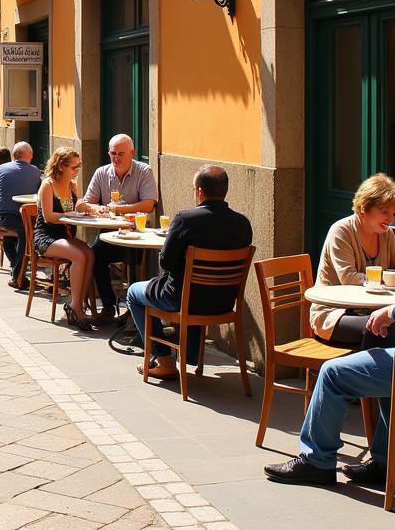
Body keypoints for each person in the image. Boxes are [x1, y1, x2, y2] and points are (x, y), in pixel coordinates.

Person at [265, 168, 395, 487]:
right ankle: (392, 462)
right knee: (387, 352)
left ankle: (317, 461)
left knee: (334, 373)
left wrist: (394, 309)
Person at [125, 164, 252, 380]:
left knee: (133, 293)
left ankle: (164, 360)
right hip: (222, 303)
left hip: (181, 299)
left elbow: (166, 262)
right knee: (196, 289)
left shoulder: (186, 219)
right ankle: (189, 356)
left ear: (200, 192)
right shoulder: (243, 224)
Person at [310, 174, 395, 345]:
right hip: (335, 314)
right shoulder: (341, 231)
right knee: (380, 329)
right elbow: (348, 278)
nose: (390, 219)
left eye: (394, 213)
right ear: (364, 208)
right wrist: (393, 283)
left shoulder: (387, 234)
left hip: (373, 309)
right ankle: (361, 371)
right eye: (384, 212)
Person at [77, 134, 158, 325]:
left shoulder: (144, 171)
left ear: (132, 153)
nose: (116, 158)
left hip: (135, 234)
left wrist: (120, 209)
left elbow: (149, 204)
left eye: (121, 154)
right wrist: (97, 208)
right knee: (94, 256)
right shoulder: (102, 173)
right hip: (108, 233)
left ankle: (133, 310)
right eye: (113, 153)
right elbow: (85, 202)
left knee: (134, 264)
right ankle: (108, 305)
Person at [34, 147, 96, 331]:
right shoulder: (48, 185)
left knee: (90, 254)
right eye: (74, 167)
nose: (77, 170)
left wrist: (86, 207)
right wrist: (71, 213)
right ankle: (75, 308)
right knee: (79, 256)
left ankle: (77, 304)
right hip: (46, 236)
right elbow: (49, 217)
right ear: (61, 166)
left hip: (65, 235)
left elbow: (77, 205)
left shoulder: (72, 185)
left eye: (79, 166)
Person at [0, 142, 42, 290]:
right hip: (27, 218)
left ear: (14, 155)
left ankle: (17, 268)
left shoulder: (1, 168)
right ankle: (18, 273)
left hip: (4, 217)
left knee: (11, 237)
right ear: (30, 155)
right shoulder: (36, 171)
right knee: (24, 232)